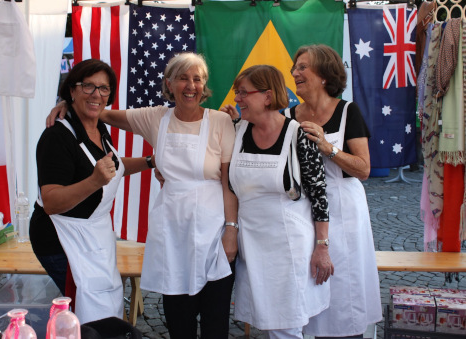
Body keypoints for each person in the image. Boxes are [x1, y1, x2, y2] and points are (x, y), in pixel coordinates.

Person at [48, 52, 238, 339]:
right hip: (173, 232)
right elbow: (99, 111)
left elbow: (229, 184)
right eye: (183, 78)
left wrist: (231, 231)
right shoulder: (155, 118)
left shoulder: (221, 122)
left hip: (213, 232)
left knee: (215, 319)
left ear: (204, 85)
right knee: (178, 317)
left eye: (197, 79)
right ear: (169, 83)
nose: (190, 85)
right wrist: (67, 103)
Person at [30, 59, 154, 324]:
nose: (96, 94)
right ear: (71, 90)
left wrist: (150, 162)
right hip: (62, 238)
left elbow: (115, 166)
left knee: (105, 302)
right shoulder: (56, 137)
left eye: (104, 88)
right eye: (88, 86)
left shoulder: (97, 127)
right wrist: (94, 181)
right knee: (82, 312)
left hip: (94, 235)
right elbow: (51, 201)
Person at [226, 65, 332, 339]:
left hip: (289, 246)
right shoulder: (236, 131)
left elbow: (320, 196)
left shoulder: (300, 136)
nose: (237, 99)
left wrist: (322, 247)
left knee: (287, 324)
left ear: (268, 96)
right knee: (269, 320)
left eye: (243, 93)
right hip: (251, 242)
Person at [290, 45, 382, 338]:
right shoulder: (290, 115)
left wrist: (328, 149)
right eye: (295, 67)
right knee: (311, 282)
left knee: (344, 288)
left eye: (303, 67)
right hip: (305, 210)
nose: (295, 72)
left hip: (344, 210)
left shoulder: (347, 111)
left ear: (324, 76)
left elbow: (363, 169)